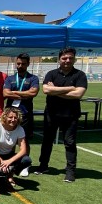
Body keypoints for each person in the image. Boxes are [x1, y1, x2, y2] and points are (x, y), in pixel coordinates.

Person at [35, 47, 88, 182]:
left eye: (70, 58)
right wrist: (70, 88)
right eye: (64, 58)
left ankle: (70, 171)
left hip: (71, 115)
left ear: (74, 59)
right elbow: (46, 90)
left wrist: (55, 90)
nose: (67, 60)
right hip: (51, 114)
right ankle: (43, 166)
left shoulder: (80, 75)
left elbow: (78, 94)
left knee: (69, 143)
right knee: (47, 141)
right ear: (59, 59)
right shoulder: (51, 74)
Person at [0, 107, 32, 197]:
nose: (13, 120)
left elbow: (23, 150)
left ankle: (7, 177)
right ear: (4, 117)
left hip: (8, 156)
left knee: (26, 160)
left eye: (15, 117)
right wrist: (1, 161)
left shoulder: (20, 129)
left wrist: (8, 162)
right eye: (10, 117)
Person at [3, 53, 39, 177]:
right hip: (9, 114)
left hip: (25, 114)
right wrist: (24, 93)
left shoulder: (33, 78)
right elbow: (5, 93)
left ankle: (25, 165)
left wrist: (14, 92)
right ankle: (10, 163)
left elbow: (33, 93)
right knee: (9, 140)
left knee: (25, 140)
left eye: (23, 64)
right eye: (18, 63)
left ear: (28, 64)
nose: (20, 66)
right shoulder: (10, 78)